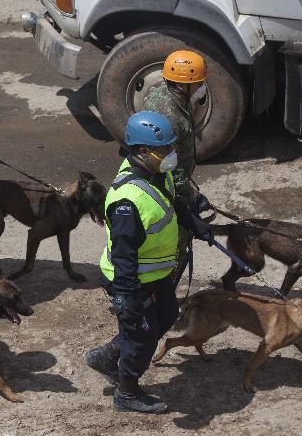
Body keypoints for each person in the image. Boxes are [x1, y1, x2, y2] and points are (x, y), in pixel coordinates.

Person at [84, 111, 214, 413]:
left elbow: (171, 202)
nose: (171, 154)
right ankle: (126, 393)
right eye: (165, 149)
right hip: (130, 281)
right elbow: (124, 255)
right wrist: (126, 298)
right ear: (142, 151)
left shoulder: (156, 173)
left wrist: (194, 223)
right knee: (142, 337)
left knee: (167, 316)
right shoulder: (127, 202)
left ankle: (107, 356)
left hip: (155, 274)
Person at [143, 50, 212, 280]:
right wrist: (193, 197)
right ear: (183, 85)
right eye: (198, 82)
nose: (202, 86)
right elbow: (170, 166)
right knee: (177, 245)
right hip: (168, 187)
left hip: (167, 182)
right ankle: (165, 294)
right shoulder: (170, 116)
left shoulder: (164, 94)